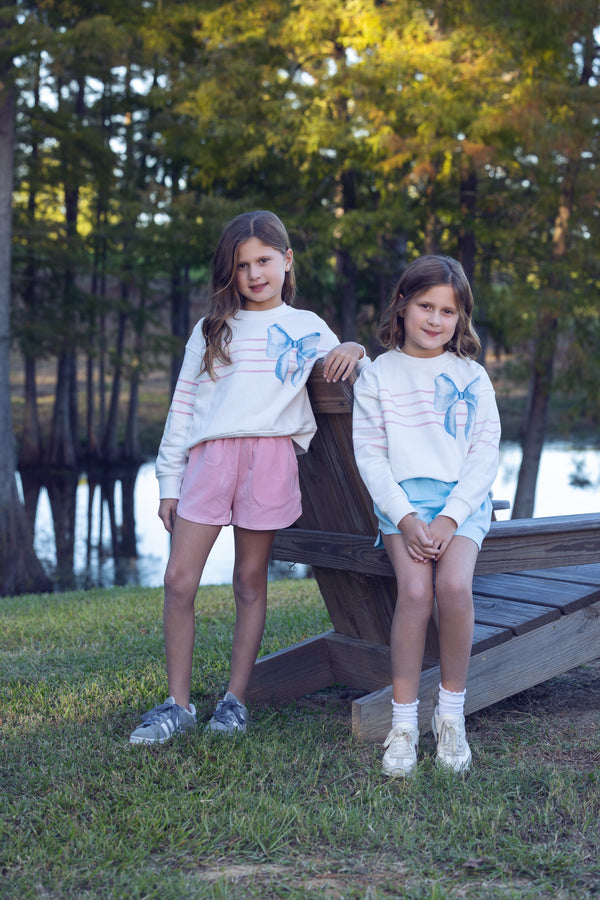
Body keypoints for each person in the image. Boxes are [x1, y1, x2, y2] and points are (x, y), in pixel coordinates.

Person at [129, 210, 367, 744]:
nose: (255, 273)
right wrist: (169, 481)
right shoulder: (212, 328)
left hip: (270, 460)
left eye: (264, 260)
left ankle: (234, 701)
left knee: (248, 581)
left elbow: (351, 367)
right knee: (177, 579)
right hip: (210, 461)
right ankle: (178, 704)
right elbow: (183, 406)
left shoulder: (308, 327)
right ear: (230, 272)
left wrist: (354, 347)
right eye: (242, 265)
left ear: (286, 261)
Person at [352, 255, 501, 777]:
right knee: (416, 592)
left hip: (462, 504)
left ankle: (451, 717)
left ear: (461, 319)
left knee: (453, 588)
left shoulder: (472, 376)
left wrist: (452, 518)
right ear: (401, 304)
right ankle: (405, 723)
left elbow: (485, 454)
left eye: (448, 311)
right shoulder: (377, 375)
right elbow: (370, 456)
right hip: (403, 505)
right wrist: (409, 518)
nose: (436, 320)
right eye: (425, 306)